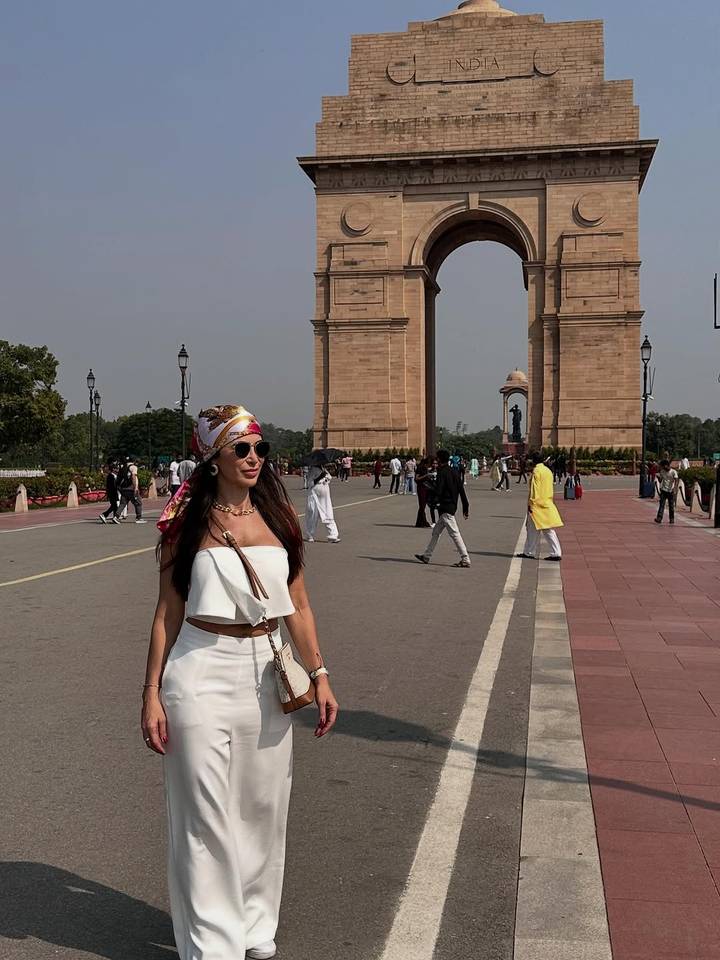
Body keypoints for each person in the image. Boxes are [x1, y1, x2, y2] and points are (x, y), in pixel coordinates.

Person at [144, 403, 338, 960]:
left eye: (260, 448)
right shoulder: (186, 527)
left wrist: (320, 674)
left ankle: (254, 926)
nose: (254, 458)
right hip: (198, 668)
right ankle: (213, 943)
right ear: (213, 459)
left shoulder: (281, 521)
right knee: (204, 813)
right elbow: (166, 613)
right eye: (242, 449)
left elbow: (299, 605)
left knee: (262, 807)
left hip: (267, 668)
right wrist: (151, 692)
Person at [415, 449, 471, 568]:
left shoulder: (442, 472)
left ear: (440, 459)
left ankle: (465, 558)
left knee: (455, 533)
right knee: (436, 532)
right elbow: (461, 490)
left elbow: (439, 490)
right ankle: (427, 555)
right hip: (452, 505)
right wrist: (465, 506)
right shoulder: (454, 471)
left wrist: (432, 494)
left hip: (445, 506)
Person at [518, 451, 563, 561]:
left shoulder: (536, 471)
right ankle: (554, 552)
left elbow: (534, 489)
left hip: (537, 504)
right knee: (546, 529)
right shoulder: (548, 471)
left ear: (533, 460)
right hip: (547, 502)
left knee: (534, 530)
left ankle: (531, 551)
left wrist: (531, 504)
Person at [305, 461, 340, 543]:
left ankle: (333, 535)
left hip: (324, 492)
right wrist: (320, 477)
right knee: (313, 513)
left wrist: (326, 477)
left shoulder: (323, 468)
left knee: (328, 512)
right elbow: (309, 483)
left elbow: (329, 477)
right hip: (315, 493)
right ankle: (310, 535)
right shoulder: (312, 470)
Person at [117, 457, 146, 523]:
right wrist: (135, 487)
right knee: (138, 502)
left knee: (123, 503)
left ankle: (116, 517)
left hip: (124, 488)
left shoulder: (123, 467)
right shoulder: (133, 467)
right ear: (134, 461)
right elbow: (133, 477)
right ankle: (139, 518)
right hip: (131, 488)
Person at [655, 458, 679, 525]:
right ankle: (659, 518)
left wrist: (675, 488)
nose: (662, 468)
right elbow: (661, 480)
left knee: (671, 505)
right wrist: (658, 478)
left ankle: (672, 519)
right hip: (663, 490)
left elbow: (676, 480)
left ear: (666, 465)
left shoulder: (673, 472)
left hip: (671, 490)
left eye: (662, 466)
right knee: (661, 505)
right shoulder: (662, 471)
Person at [414, 457, 432, 527]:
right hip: (421, 488)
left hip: (425, 487)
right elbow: (416, 478)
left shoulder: (425, 468)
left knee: (423, 506)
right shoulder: (420, 468)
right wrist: (426, 475)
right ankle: (423, 522)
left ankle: (420, 522)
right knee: (422, 506)